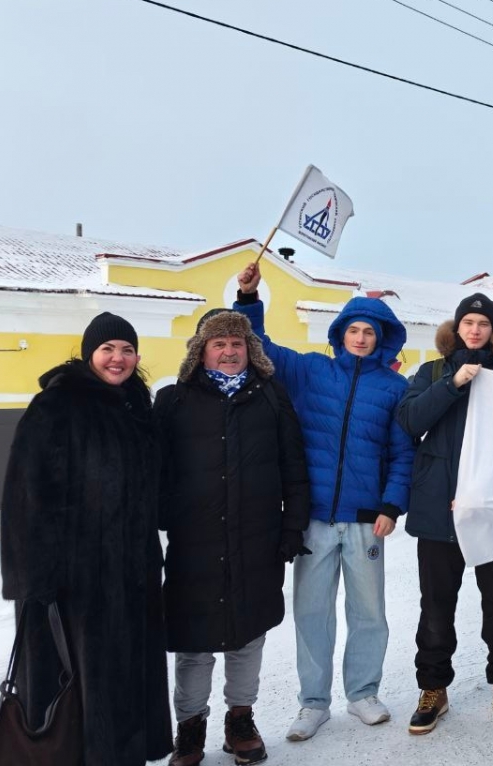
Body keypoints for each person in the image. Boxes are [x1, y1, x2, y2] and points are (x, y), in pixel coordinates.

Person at [235, 261, 414, 741]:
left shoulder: (395, 388)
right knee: (312, 613)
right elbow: (260, 347)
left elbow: (402, 454)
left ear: (382, 339)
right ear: (340, 333)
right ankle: (313, 703)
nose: (360, 338)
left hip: (365, 520)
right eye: (353, 330)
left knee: (368, 613)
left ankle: (363, 694)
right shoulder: (312, 371)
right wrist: (249, 299)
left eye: (369, 332)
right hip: (313, 518)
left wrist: (391, 506)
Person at [0, 312, 172, 765]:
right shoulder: (57, 405)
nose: (118, 358)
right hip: (72, 584)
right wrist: (35, 580)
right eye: (107, 349)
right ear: (88, 353)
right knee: (76, 691)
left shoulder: (137, 407)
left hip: (131, 575)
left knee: (124, 683)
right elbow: (25, 495)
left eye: (127, 350)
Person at [156, 309, 311, 765]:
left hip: (256, 539)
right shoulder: (173, 400)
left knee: (247, 636)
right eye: (219, 343)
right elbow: (155, 469)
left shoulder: (271, 396)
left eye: (237, 343)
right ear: (201, 351)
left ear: (249, 349)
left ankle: (240, 719)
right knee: (194, 641)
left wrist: (291, 526)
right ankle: (190, 727)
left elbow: (293, 467)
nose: (229, 351)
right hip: (195, 543)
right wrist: (163, 515)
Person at [398, 293, 493, 734]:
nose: (475, 330)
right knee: (437, 606)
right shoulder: (432, 372)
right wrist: (452, 383)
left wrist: (483, 492)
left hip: (490, 510)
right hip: (438, 507)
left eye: (483, 324)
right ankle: (433, 689)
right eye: (468, 323)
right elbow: (411, 420)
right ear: (456, 328)